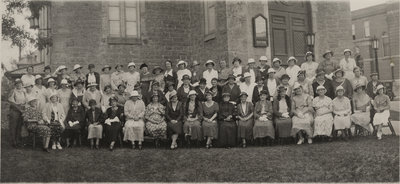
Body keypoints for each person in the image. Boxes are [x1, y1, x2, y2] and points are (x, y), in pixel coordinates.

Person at [8, 78, 26, 147]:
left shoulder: (23, 91)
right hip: (15, 110)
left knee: (19, 126)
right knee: (13, 126)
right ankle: (13, 142)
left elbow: (25, 101)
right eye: (17, 84)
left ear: (22, 85)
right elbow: (11, 102)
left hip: (21, 110)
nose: (19, 85)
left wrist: (23, 109)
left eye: (20, 84)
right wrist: (19, 109)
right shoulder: (13, 91)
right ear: (15, 85)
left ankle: (18, 141)